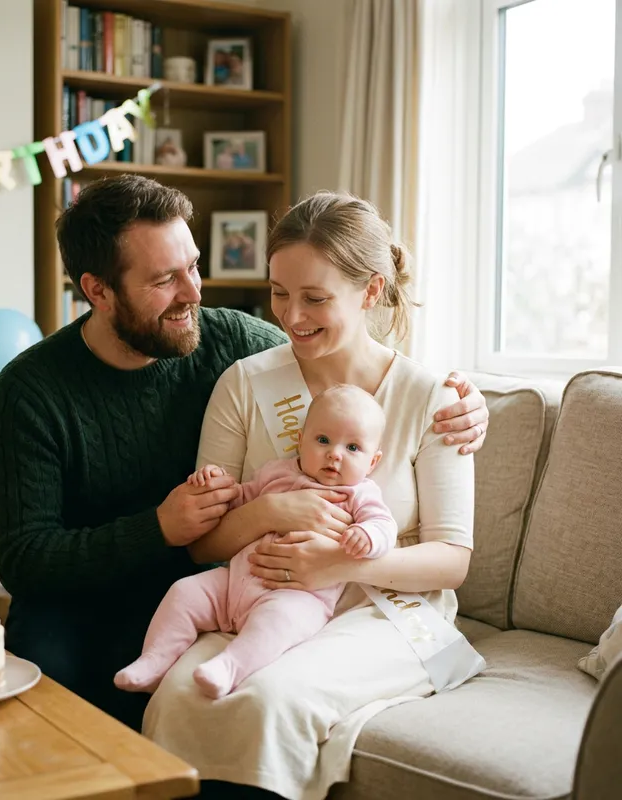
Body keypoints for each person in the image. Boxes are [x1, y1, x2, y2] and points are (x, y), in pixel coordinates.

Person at [0, 174, 488, 739]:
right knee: (64, 722)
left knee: (223, 694)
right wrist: (158, 529)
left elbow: (340, 362)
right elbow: (24, 561)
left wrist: (466, 403)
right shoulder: (30, 391)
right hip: (89, 605)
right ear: (98, 290)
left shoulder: (224, 340)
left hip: (232, 593)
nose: (194, 293)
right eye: (165, 279)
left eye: (192, 266)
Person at [141, 191, 484, 800]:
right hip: (262, 599)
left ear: (372, 291)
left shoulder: (435, 399)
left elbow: (452, 561)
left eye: (315, 298)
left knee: (272, 699)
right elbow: (201, 550)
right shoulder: (244, 383)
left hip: (385, 612)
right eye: (279, 292)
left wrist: (342, 560)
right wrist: (270, 511)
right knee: (180, 693)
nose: (291, 315)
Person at [113, 384, 396, 701]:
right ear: (300, 441)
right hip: (232, 583)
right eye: (323, 440)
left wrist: (368, 536)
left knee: (277, 622)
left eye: (353, 448)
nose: (335, 454)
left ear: (373, 462)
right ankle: (154, 661)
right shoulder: (275, 473)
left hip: (297, 596)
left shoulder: (358, 493)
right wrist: (215, 482)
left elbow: (384, 524)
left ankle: (229, 668)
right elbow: (238, 502)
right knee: (184, 592)